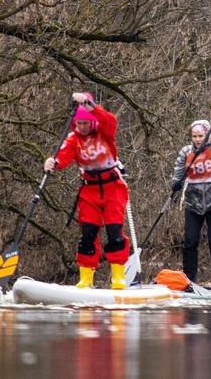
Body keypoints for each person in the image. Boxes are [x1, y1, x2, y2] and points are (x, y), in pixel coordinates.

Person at [44, 93, 130, 290]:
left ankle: (118, 277)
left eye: (85, 123)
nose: (81, 127)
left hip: (113, 188)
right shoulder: (73, 139)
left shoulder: (104, 132)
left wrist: (90, 105)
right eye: (79, 123)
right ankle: (86, 278)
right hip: (89, 191)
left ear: (92, 122)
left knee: (114, 232)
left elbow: (110, 120)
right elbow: (64, 156)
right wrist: (53, 162)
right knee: (87, 234)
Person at [170, 114, 211, 292]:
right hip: (193, 203)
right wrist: (175, 184)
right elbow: (178, 171)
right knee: (190, 242)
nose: (198, 139)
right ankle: (188, 280)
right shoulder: (185, 152)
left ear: (207, 135)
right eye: (195, 136)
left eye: (201, 136)